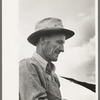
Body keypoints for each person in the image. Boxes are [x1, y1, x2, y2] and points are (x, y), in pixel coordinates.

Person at [19, 17, 75, 100]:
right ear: (43, 40)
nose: (62, 49)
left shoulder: (54, 76)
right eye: (59, 42)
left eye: (63, 44)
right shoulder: (27, 66)